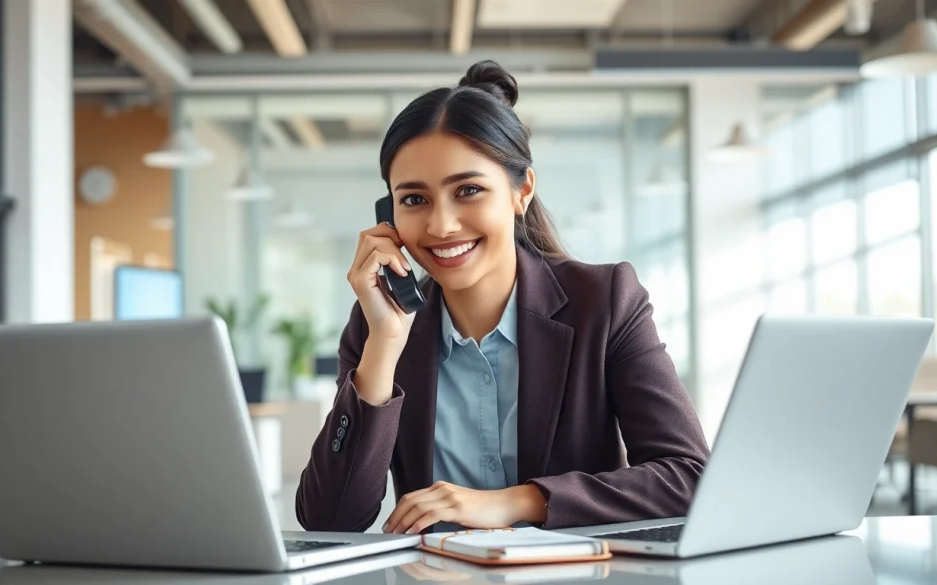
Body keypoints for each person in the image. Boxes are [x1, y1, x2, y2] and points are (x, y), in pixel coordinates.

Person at [296, 60, 709, 536]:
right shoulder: (377, 327)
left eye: (468, 190)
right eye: (414, 199)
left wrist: (516, 502)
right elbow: (329, 520)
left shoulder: (606, 302)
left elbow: (690, 476)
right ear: (387, 214)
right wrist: (385, 345)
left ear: (521, 191)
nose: (441, 225)